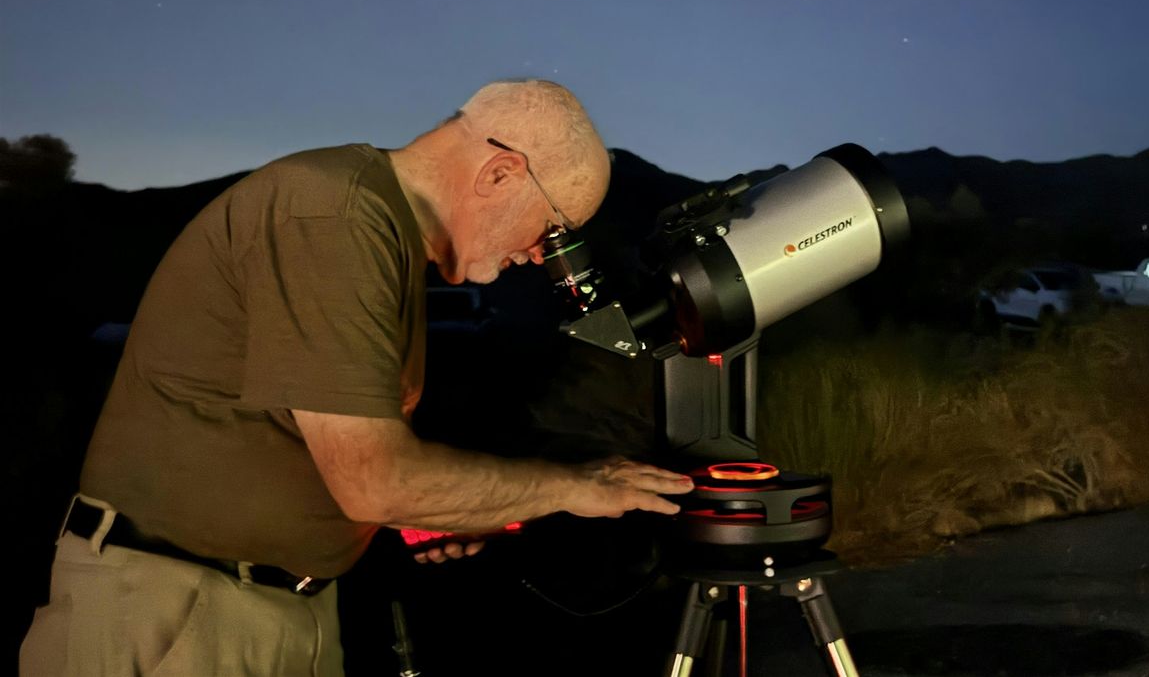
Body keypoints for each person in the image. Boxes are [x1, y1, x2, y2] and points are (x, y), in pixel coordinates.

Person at [21, 79, 694, 676]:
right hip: (178, 615)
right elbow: (375, 481)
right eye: (553, 230)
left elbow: (338, 460)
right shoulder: (333, 218)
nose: (541, 258)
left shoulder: (382, 234)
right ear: (500, 174)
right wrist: (576, 487)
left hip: (276, 607)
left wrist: (457, 506)